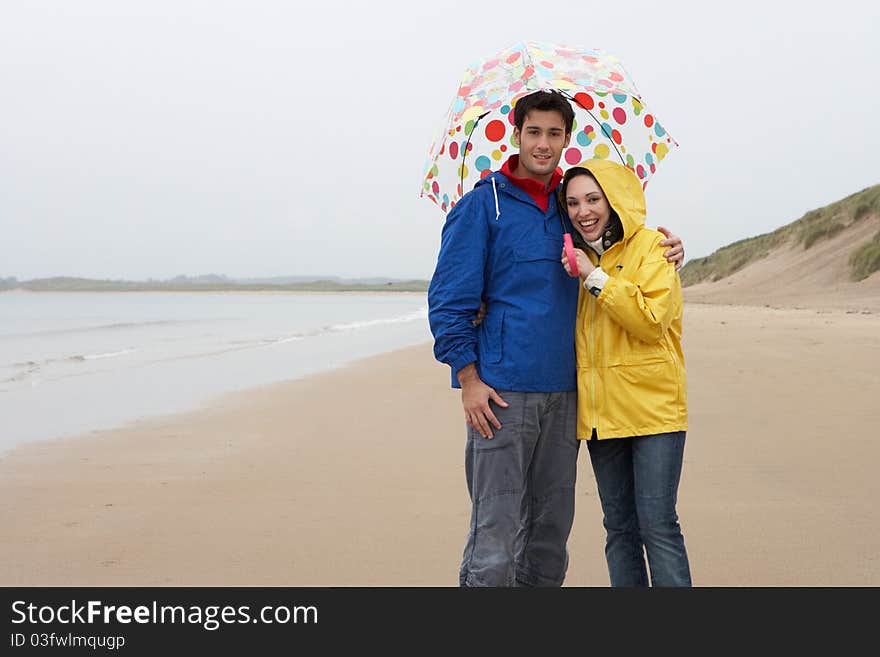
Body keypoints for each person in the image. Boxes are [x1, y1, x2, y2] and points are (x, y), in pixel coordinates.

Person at [427, 90, 684, 587]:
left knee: (548, 539)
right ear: (515, 133)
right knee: (494, 540)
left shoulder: (571, 207)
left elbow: (622, 248)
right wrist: (468, 377)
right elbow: (448, 300)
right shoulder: (483, 205)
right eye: (534, 132)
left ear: (566, 139)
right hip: (501, 394)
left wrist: (670, 248)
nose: (543, 144)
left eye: (554, 134)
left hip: (569, 396)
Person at [560, 160, 691, 587]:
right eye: (574, 202)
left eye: (594, 199)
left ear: (614, 201)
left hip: (654, 411)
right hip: (602, 416)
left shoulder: (653, 247)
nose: (584, 211)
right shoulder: (569, 259)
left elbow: (652, 320)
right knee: (619, 529)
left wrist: (594, 277)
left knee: (658, 525)